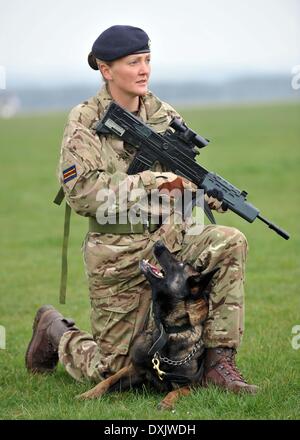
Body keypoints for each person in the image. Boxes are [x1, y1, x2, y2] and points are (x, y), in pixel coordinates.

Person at [25, 25, 258, 394]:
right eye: (133, 62)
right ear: (106, 70)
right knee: (117, 373)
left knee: (230, 241)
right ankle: (57, 331)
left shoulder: (164, 114)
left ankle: (218, 364)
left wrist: (204, 193)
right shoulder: (84, 121)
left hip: (172, 240)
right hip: (117, 255)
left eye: (148, 60)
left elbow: (182, 180)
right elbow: (82, 193)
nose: (144, 69)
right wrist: (150, 182)